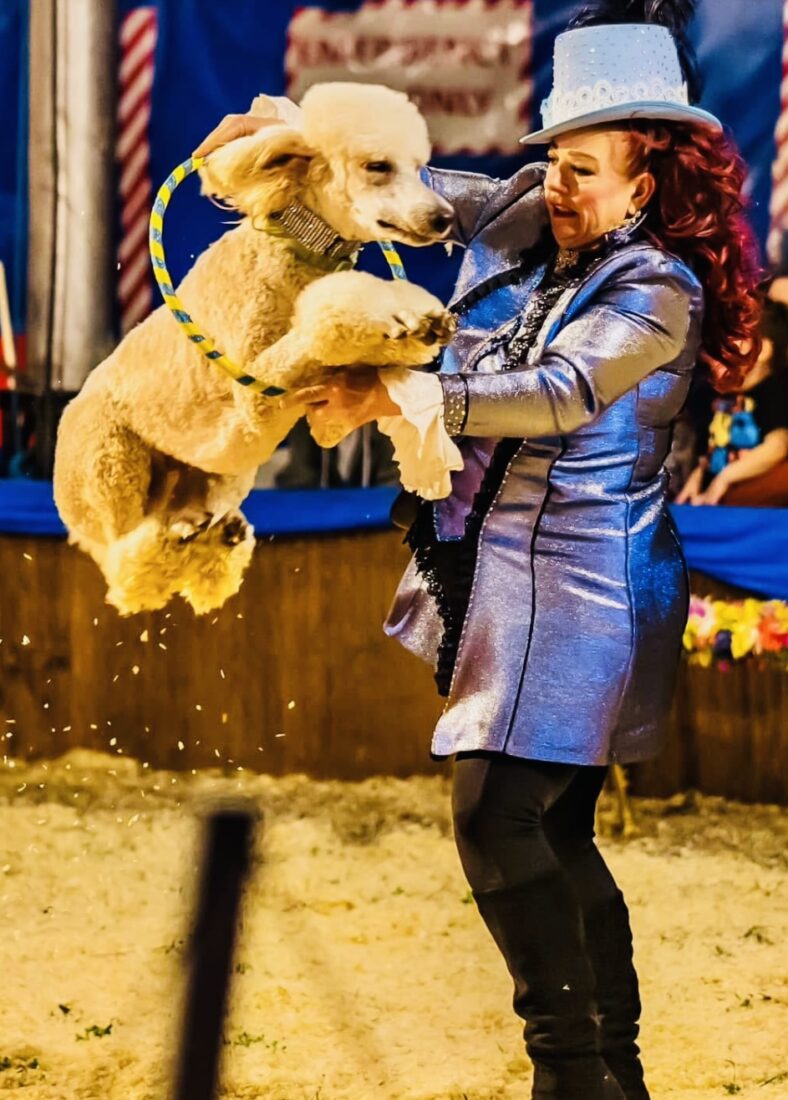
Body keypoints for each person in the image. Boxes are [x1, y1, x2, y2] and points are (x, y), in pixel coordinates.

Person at [196, 2, 761, 1096]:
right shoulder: (522, 216)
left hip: (587, 587)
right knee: (556, 829)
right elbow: (395, 192)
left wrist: (396, 388)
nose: (558, 183)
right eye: (554, 158)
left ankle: (570, 1076)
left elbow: (555, 393)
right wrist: (284, 142)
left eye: (586, 169)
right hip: (504, 576)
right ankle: (614, 1071)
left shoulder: (655, 289)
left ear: (644, 184)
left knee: (496, 818)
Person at [677, 295, 788, 505]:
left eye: (735, 338)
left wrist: (725, 478)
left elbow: (778, 446)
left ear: (763, 350)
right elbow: (710, 450)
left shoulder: (773, 390)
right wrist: (698, 478)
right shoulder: (717, 396)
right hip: (713, 497)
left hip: (748, 493)